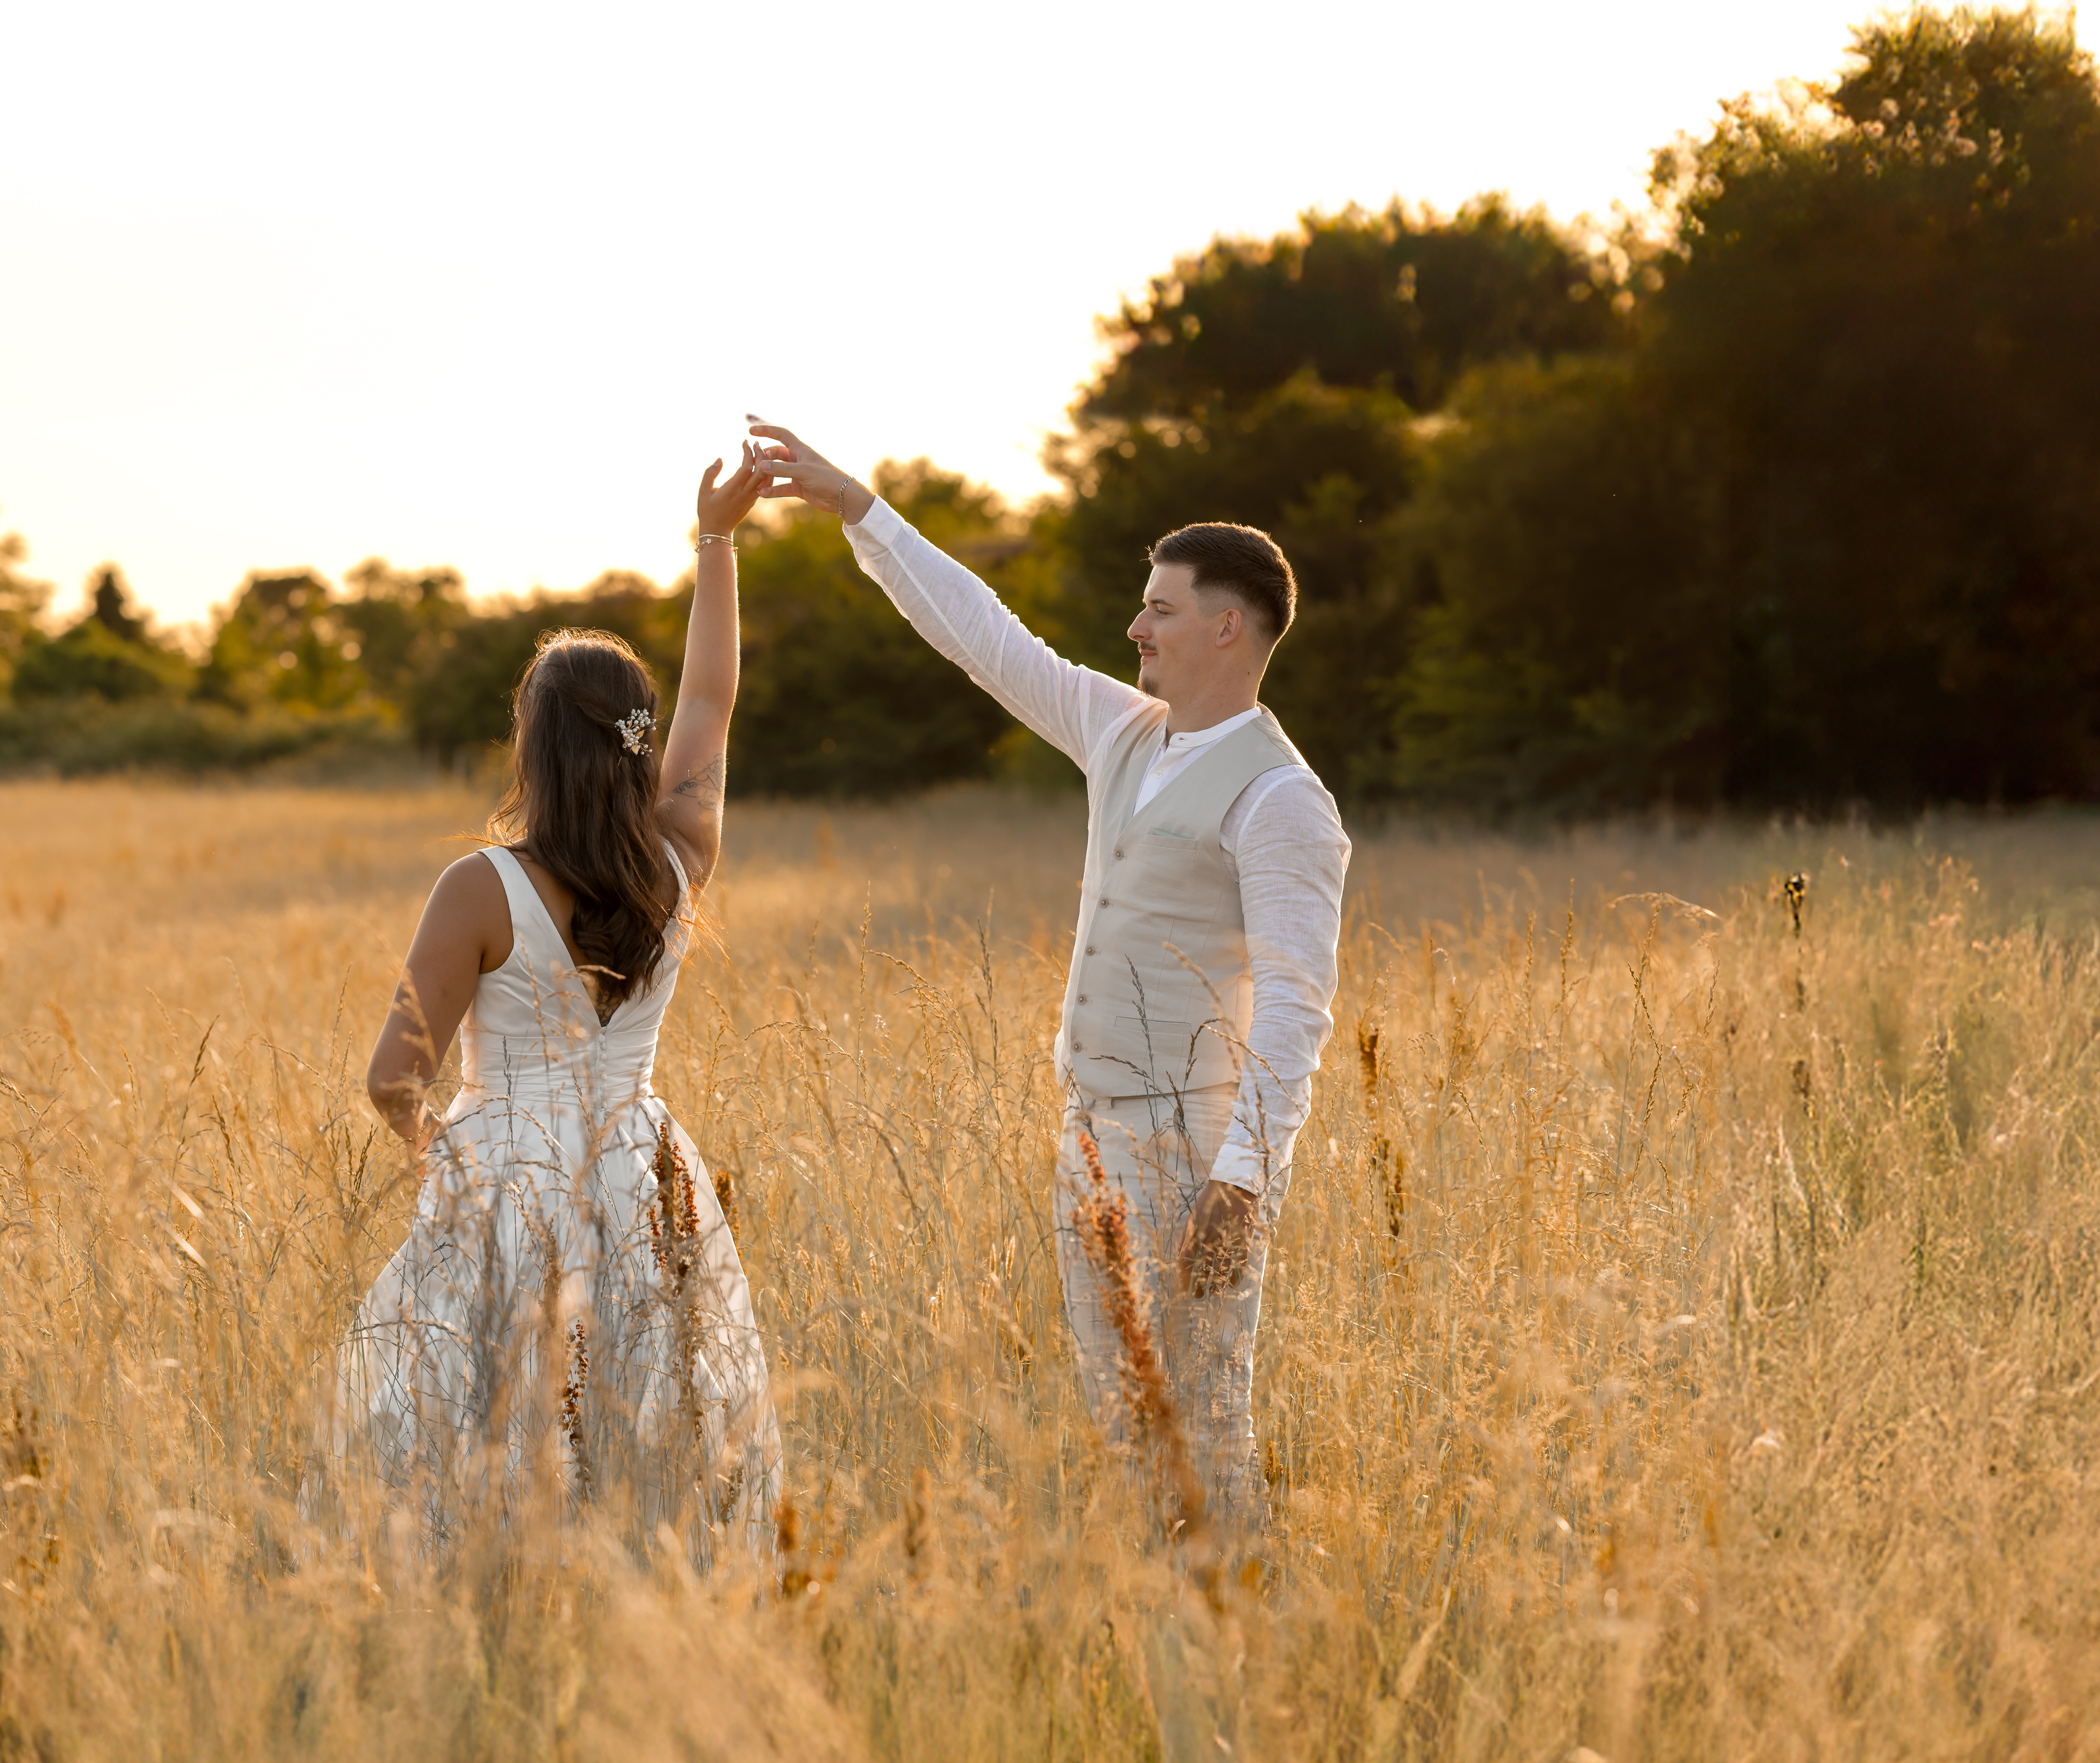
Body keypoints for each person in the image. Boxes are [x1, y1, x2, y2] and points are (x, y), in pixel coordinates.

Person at [749, 420, 1349, 1560]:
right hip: (1088, 1128)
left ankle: (1244, 1642)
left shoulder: (1281, 801)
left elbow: (1294, 1004)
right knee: (1123, 1416)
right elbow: (988, 639)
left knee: (1202, 1417)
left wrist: (1243, 1184)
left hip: (1189, 1142)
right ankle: (1173, 1631)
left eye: (1160, 609)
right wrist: (860, 512)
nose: (1135, 627)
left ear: (1228, 627)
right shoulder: (1120, 728)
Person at [341, 446, 781, 1556]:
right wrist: (715, 543)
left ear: (529, 747)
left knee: (476, 1427)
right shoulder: (681, 854)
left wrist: (446, 1154)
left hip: (504, 1174)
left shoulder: (478, 886)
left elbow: (393, 1078)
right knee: (651, 1415)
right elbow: (716, 700)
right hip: (641, 1160)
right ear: (635, 744)